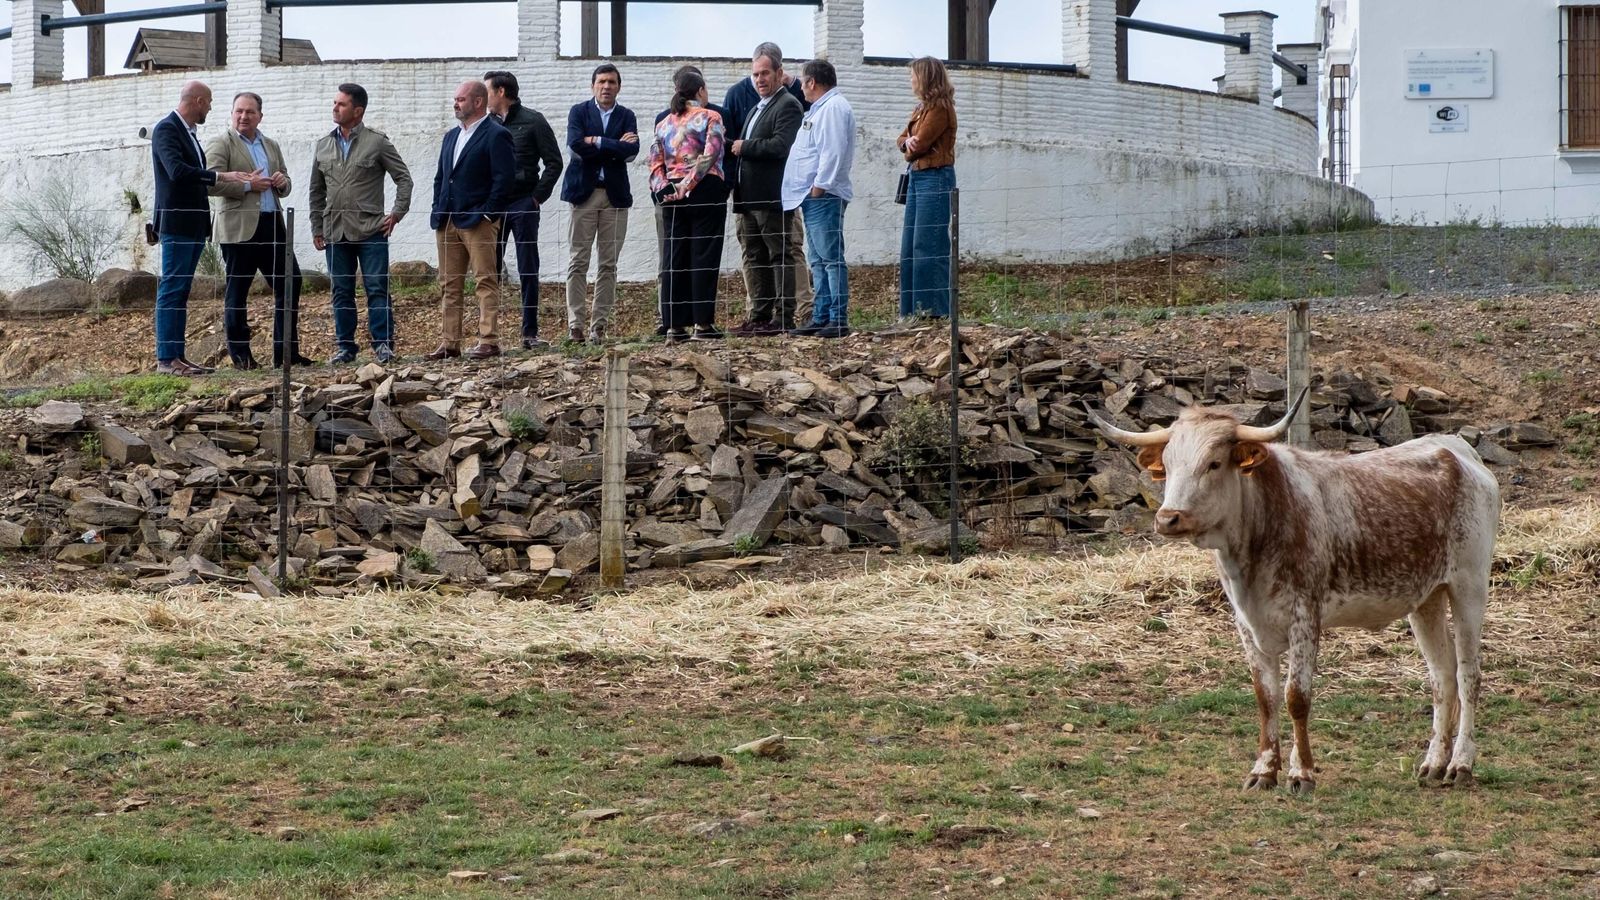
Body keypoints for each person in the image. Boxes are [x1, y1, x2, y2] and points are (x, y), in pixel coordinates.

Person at [150, 80, 258, 376]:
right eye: (208, 102)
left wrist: (219, 177)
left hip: (193, 224)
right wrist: (219, 177)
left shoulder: (188, 133)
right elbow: (177, 171)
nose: (210, 107)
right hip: (177, 223)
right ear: (197, 100)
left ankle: (177, 357)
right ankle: (166, 359)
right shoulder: (166, 129)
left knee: (180, 290)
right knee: (172, 289)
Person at [309, 82, 413, 365]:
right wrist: (317, 227)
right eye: (334, 103)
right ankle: (345, 347)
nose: (335, 108)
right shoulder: (323, 145)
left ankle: (383, 345)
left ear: (357, 110)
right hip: (335, 231)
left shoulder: (377, 141)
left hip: (371, 231)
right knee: (341, 291)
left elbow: (403, 178)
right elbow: (316, 191)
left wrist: (397, 213)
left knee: (377, 288)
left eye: (341, 104)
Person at [205, 91, 307, 371]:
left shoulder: (270, 145)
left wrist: (281, 182)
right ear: (231, 113)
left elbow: (285, 181)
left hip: (272, 222)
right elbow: (209, 184)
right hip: (238, 228)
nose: (243, 116)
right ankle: (241, 358)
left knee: (290, 282)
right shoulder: (221, 143)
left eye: (250, 112)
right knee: (237, 290)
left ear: (260, 115)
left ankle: (286, 355)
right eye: (238, 111)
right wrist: (249, 185)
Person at [723, 42, 810, 329]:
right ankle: (759, 316)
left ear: (779, 73)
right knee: (754, 255)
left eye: (765, 73)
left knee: (779, 255)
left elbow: (780, 146)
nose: (760, 79)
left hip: (772, 196)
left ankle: (783, 317)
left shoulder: (788, 105)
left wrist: (743, 146)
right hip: (748, 197)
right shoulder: (758, 107)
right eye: (756, 74)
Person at [428, 80, 516, 360]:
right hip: (447, 220)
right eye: (455, 99)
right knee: (448, 284)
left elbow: (504, 179)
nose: (456, 103)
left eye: (461, 99)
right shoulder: (450, 137)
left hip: (479, 221)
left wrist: (489, 214)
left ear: (478, 102)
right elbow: (442, 177)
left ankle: (488, 340)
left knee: (485, 280)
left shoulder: (496, 134)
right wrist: (437, 209)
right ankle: (449, 343)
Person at [484, 70, 563, 350]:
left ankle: (529, 333)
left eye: (488, 91)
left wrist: (537, 198)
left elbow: (554, 162)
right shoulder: (487, 124)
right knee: (488, 269)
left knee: (528, 267)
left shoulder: (533, 120)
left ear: (501, 92)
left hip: (523, 204)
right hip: (494, 206)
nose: (485, 97)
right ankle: (488, 336)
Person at [648, 68, 729, 343]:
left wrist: (666, 189)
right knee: (703, 255)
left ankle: (674, 326)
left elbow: (655, 162)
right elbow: (711, 153)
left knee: (675, 258)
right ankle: (702, 325)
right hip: (705, 191)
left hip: (672, 195)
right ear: (701, 91)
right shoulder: (710, 116)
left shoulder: (663, 124)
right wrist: (690, 184)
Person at [561, 64, 638, 344]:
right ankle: (575, 326)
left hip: (614, 197)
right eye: (602, 81)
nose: (607, 86)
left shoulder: (627, 115)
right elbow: (575, 146)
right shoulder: (579, 112)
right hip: (584, 194)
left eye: (612, 82)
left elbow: (632, 150)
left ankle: (598, 327)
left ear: (619, 86)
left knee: (608, 264)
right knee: (578, 260)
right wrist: (613, 145)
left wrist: (596, 141)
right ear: (593, 85)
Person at [782, 60, 856, 339]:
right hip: (813, 197)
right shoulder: (822, 108)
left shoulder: (834, 108)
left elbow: (833, 151)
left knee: (830, 259)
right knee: (817, 260)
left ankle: (838, 318)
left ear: (813, 82)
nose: (801, 87)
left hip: (824, 196)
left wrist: (819, 187)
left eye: (803, 82)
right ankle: (822, 315)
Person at [896, 56, 959, 324]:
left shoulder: (940, 109)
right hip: (918, 178)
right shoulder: (921, 109)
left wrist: (909, 146)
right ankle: (910, 313)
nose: (911, 80)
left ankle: (933, 312)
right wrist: (907, 144)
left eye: (914, 75)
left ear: (926, 77)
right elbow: (902, 139)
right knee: (910, 246)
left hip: (935, 177)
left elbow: (918, 146)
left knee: (928, 245)